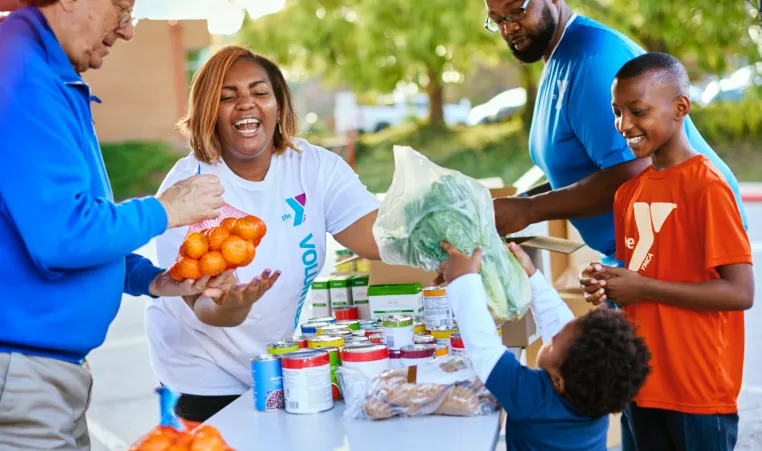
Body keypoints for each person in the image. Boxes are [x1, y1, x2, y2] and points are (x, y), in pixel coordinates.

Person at [0, 2, 230, 450]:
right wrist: (165, 209)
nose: (127, 30)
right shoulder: (23, 74)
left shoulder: (44, 72)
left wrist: (152, 280)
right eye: (121, 8)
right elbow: (63, 235)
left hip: (46, 373)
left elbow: (68, 222)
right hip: (23, 373)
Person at [146, 45, 381, 424]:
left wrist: (447, 228)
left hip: (277, 358)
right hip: (205, 376)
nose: (246, 104)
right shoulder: (191, 188)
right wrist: (233, 305)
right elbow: (204, 307)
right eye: (228, 97)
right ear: (209, 112)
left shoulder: (313, 165)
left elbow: (374, 238)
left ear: (279, 105)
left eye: (260, 92)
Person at [483, 0, 747, 268]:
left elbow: (637, 169)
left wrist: (530, 210)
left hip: (674, 253)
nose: (509, 27)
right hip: (633, 258)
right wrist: (523, 202)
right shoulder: (558, 57)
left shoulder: (591, 57)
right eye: (497, 19)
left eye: (517, 10)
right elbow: (579, 172)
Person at [580, 53, 753, 451]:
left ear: (680, 108)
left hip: (696, 394)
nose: (624, 124)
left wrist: (644, 288)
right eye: (617, 112)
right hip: (640, 385)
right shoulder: (628, 193)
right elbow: (637, 274)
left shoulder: (708, 188)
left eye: (637, 111)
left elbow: (740, 292)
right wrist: (605, 284)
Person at [435, 241, 651, 451]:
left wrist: (464, 281)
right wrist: (532, 276)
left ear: (558, 381)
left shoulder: (534, 398)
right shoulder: (598, 394)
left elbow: (484, 348)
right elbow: (562, 326)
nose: (552, 337)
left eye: (553, 342)